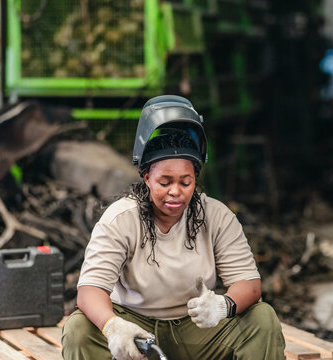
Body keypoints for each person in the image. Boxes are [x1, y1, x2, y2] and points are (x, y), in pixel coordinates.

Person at [61, 95, 285, 360]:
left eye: (185, 182)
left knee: (263, 318)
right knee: (78, 329)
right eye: (164, 182)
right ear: (146, 177)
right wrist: (113, 327)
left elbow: (249, 283)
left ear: (195, 179)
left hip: (198, 331)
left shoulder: (217, 216)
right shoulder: (120, 219)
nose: (175, 192)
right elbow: (89, 291)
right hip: (136, 329)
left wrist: (224, 305)